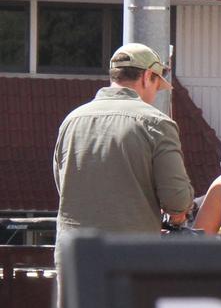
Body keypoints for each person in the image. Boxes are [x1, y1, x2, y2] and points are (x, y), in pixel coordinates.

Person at [53, 42, 193, 270]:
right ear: (148, 76)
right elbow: (176, 200)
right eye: (156, 87)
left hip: (73, 259)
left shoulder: (72, 120)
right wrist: (178, 213)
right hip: (130, 260)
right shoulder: (156, 122)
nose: (154, 96)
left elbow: (64, 186)